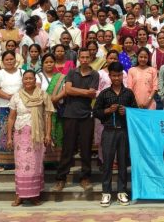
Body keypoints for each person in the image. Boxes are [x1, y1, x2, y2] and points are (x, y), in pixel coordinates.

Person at [53, 48, 100, 192]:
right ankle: (61, 179)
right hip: (70, 114)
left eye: (87, 57)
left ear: (90, 58)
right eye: (82, 57)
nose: (85, 59)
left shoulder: (94, 74)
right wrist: (85, 92)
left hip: (86, 115)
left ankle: (85, 178)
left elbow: (92, 94)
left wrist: (76, 91)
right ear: (78, 58)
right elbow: (67, 90)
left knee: (86, 148)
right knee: (68, 148)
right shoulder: (72, 72)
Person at [6, 69, 54, 207]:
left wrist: (48, 134)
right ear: (22, 80)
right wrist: (9, 137)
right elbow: (11, 118)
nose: (28, 81)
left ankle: (34, 195)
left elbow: (48, 116)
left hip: (37, 137)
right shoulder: (16, 96)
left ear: (35, 80)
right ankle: (19, 195)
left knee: (35, 166)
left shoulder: (43, 95)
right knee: (21, 166)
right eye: (25, 78)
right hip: (21, 136)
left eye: (30, 78)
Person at [93, 62, 138, 207]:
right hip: (109, 131)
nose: (117, 78)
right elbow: (96, 112)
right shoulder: (104, 94)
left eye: (119, 75)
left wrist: (127, 111)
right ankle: (106, 193)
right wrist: (107, 111)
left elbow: (136, 111)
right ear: (109, 76)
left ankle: (121, 192)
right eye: (114, 75)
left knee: (123, 163)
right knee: (107, 163)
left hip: (124, 131)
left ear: (122, 75)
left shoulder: (129, 93)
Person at [0, 50, 23, 168]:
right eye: (7, 60)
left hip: (19, 108)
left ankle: (18, 161)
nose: (9, 61)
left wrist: (17, 100)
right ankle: (1, 162)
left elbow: (26, 87)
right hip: (2, 107)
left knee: (18, 134)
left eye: (11, 59)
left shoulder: (22, 72)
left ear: (16, 60)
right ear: (2, 61)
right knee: (2, 134)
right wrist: (11, 97)